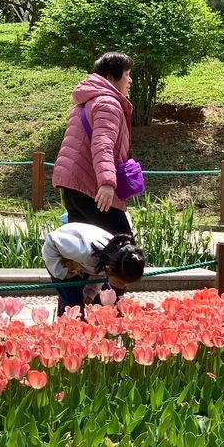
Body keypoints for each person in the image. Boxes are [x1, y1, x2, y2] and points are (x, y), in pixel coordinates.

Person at [52, 52, 134, 235]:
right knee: (124, 249)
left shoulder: (86, 101)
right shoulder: (107, 104)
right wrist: (107, 183)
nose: (130, 81)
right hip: (91, 186)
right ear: (112, 77)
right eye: (127, 74)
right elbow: (102, 145)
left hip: (73, 187)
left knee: (87, 251)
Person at [42, 221, 145, 317]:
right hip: (61, 261)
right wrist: (60, 271)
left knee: (106, 301)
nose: (122, 287)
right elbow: (51, 239)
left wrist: (90, 292)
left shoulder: (113, 259)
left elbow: (100, 272)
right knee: (74, 306)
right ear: (110, 268)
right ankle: (67, 330)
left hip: (85, 265)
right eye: (121, 282)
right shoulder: (84, 252)